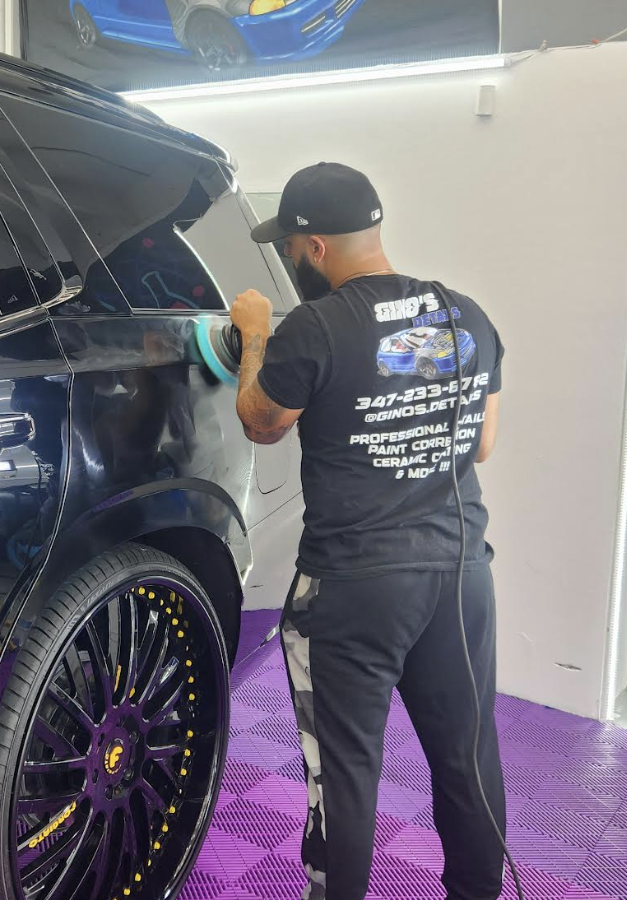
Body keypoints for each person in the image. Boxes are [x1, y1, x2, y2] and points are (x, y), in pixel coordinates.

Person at [230, 162, 506, 900]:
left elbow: (261, 422)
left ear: (313, 247)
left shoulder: (312, 326)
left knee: (346, 775)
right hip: (459, 578)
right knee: (468, 761)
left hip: (354, 589)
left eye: (289, 248)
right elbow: (480, 444)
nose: (290, 261)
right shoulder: (465, 313)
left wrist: (255, 336)